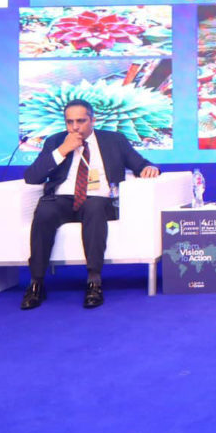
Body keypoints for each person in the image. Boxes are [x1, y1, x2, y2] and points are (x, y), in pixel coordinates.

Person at [21, 99, 160, 309]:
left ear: (93, 120)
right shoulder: (55, 141)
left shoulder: (114, 140)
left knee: (94, 207)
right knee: (44, 211)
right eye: (69, 122)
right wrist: (62, 150)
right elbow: (32, 177)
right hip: (63, 199)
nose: (75, 127)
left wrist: (149, 168)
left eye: (81, 121)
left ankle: (94, 281)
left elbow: (140, 164)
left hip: (99, 199)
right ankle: (36, 283)